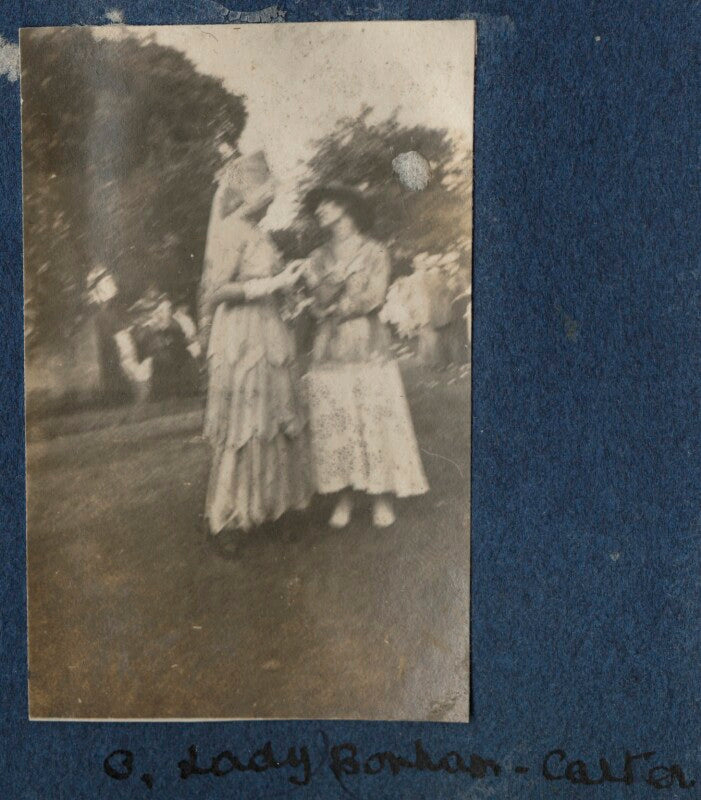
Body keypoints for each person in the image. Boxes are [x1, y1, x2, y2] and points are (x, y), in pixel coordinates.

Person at [198, 151, 311, 553]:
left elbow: (275, 282)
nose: (270, 199)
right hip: (242, 336)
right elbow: (217, 291)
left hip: (269, 332)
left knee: (271, 420)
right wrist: (273, 284)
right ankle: (225, 517)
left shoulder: (260, 234)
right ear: (248, 193)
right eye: (265, 192)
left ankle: (266, 508)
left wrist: (290, 285)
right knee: (243, 424)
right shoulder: (230, 231)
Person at [301, 186, 429, 529]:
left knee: (373, 417)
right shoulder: (315, 257)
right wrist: (331, 294)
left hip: (369, 347)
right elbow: (316, 302)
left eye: (327, 204)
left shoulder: (374, 251)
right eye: (319, 207)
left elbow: (374, 297)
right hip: (329, 352)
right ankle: (345, 495)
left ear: (347, 208)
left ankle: (381, 496)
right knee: (338, 420)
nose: (321, 211)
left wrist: (336, 303)